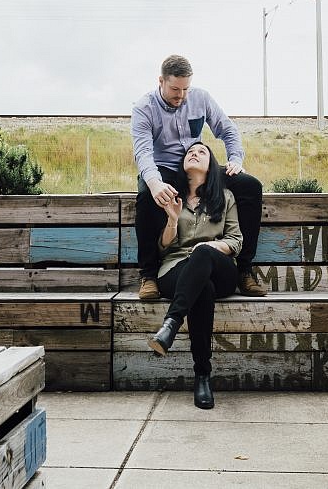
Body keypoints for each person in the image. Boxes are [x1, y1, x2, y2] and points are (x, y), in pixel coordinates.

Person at [131, 54, 268, 299]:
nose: (181, 95)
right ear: (160, 81)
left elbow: (227, 129)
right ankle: (148, 275)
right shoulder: (144, 108)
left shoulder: (201, 98)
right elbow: (143, 153)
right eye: (175, 89)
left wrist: (235, 160)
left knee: (250, 186)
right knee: (146, 195)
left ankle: (244, 270)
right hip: (166, 170)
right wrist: (154, 184)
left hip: (200, 164)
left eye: (186, 89)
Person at [147, 140, 241, 409]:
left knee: (201, 256)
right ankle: (203, 375)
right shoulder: (172, 197)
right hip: (176, 269)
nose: (194, 154)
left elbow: (235, 241)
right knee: (203, 290)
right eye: (190, 151)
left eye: (202, 152)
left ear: (211, 166)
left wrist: (208, 247)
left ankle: (171, 324)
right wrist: (173, 219)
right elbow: (164, 247)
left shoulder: (224, 198)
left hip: (218, 266)